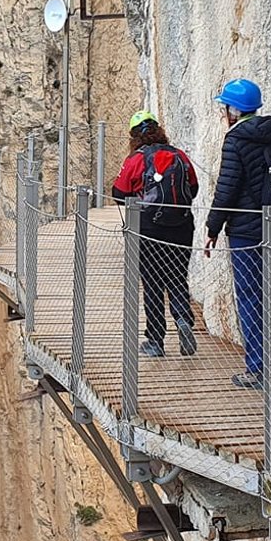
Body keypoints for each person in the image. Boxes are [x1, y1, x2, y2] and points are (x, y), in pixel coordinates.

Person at [203, 79, 271, 389]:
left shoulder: (235, 139)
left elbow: (227, 187)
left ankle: (259, 367)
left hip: (247, 230)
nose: (223, 112)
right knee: (270, 291)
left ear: (234, 110)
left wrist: (212, 227)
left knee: (249, 295)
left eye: (225, 107)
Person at [113, 111, 199, 358]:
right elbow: (193, 188)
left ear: (133, 136)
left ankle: (156, 340)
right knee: (176, 277)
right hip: (182, 227)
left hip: (148, 229)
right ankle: (183, 318)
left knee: (152, 282)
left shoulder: (136, 159)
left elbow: (118, 193)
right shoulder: (178, 155)